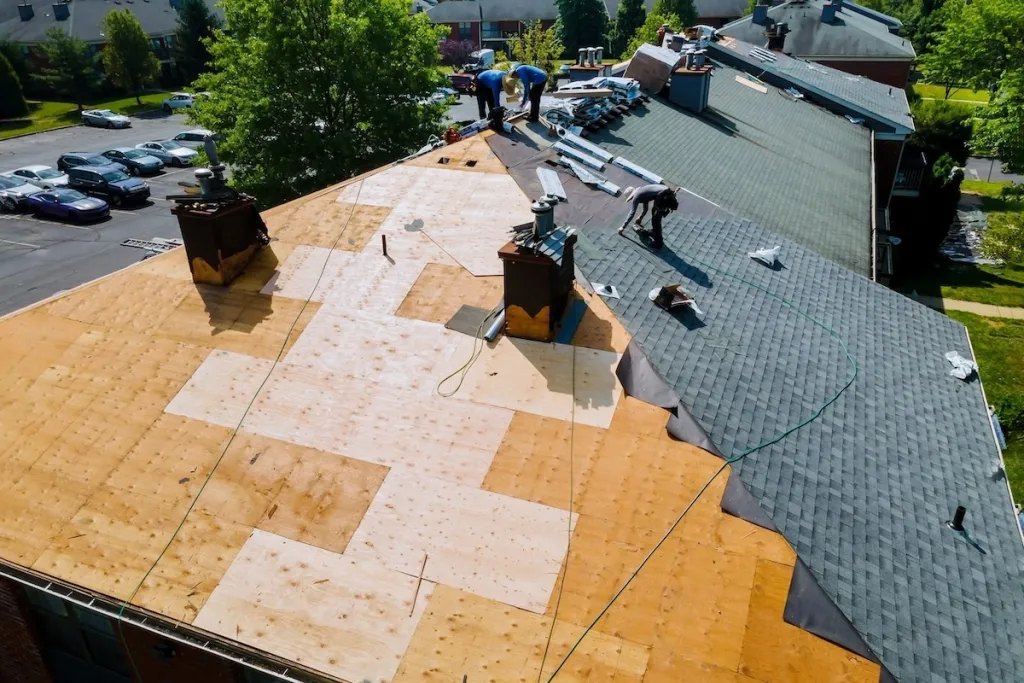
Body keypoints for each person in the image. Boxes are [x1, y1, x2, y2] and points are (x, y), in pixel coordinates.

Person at [617, 184, 680, 249]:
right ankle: (654, 232)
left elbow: (632, 213)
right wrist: (640, 217)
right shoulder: (642, 192)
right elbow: (646, 208)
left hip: (663, 196)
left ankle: (658, 243)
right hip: (666, 193)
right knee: (654, 212)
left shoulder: (636, 197)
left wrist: (623, 227)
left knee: (656, 219)